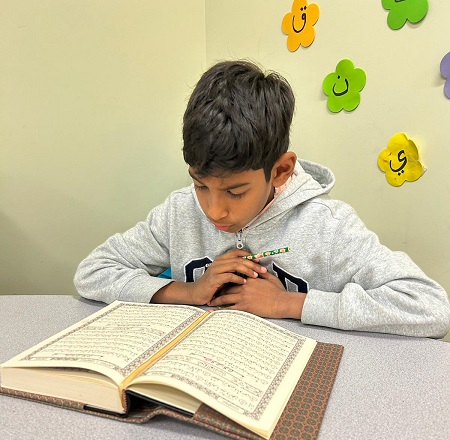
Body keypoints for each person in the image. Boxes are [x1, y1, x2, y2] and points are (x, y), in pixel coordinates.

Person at [74, 60, 450, 338]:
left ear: (281, 171)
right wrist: (190, 291)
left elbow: (430, 308)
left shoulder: (328, 226)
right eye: (200, 185)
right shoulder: (179, 212)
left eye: (235, 192)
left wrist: (289, 303)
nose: (213, 210)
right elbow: (93, 273)